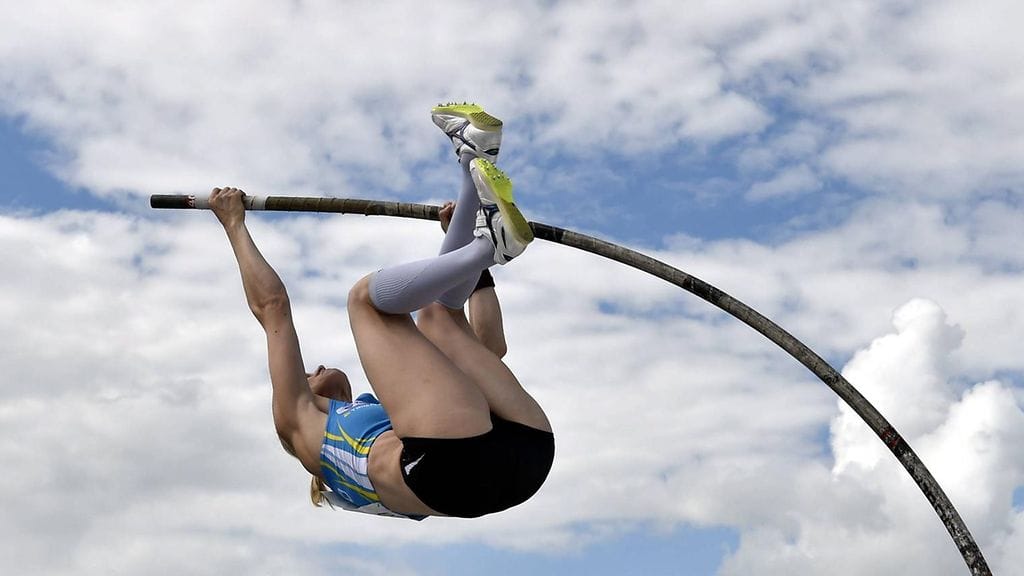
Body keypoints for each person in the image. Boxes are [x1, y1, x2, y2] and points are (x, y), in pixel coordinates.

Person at [209, 103, 554, 520]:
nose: (313, 366)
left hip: (524, 450)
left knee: (438, 315)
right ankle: (487, 246)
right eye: (303, 375)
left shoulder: (398, 407)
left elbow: (487, 348)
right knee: (364, 301)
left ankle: (472, 162)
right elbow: (272, 309)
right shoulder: (298, 424)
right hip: (452, 468)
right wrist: (234, 225)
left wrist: (469, 264)